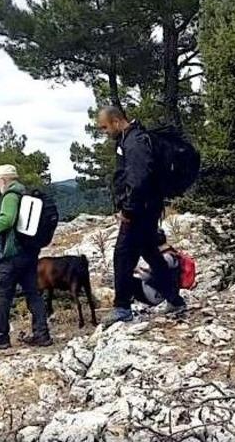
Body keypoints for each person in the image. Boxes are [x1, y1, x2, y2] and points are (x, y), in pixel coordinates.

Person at [96, 106, 186, 327]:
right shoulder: (131, 139)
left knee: (122, 255)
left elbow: (139, 179)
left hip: (139, 210)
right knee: (151, 253)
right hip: (147, 208)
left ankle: (122, 307)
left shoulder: (134, 142)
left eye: (105, 127)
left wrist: (127, 209)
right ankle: (174, 299)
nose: (104, 132)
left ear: (117, 121)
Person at [0, 164, 52, 349]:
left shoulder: (10, 196)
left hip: (11, 255)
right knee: (33, 294)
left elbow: (7, 220)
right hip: (29, 253)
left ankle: (1, 337)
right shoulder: (25, 193)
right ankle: (42, 334)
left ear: (3, 179)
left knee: (2, 297)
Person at [133, 230, 182, 307]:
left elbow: (153, 280)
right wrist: (143, 270)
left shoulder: (166, 258)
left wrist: (138, 271)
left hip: (157, 295)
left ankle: (125, 309)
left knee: (128, 281)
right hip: (163, 292)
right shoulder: (170, 253)